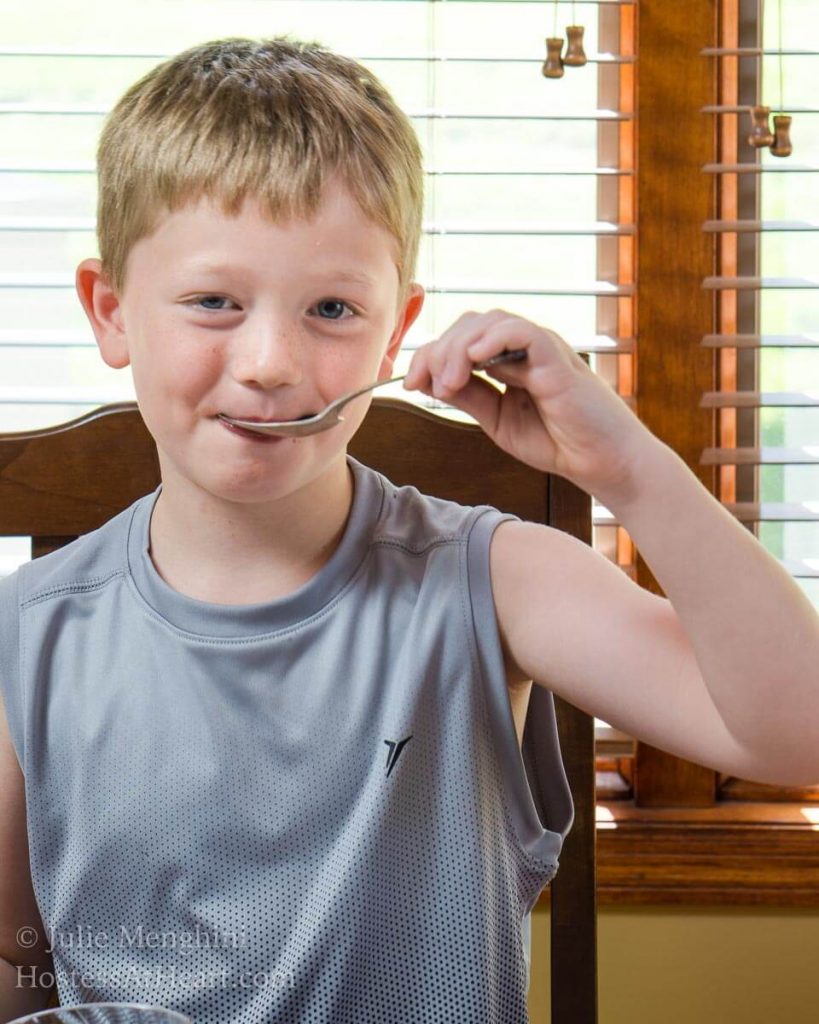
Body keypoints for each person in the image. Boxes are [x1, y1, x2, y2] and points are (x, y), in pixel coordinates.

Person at [1, 34, 817, 1024]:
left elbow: (796, 733)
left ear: (397, 331)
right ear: (111, 311)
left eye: (333, 309)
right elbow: (16, 973)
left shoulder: (493, 580)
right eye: (214, 302)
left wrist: (627, 469)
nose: (268, 360)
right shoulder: (25, 640)